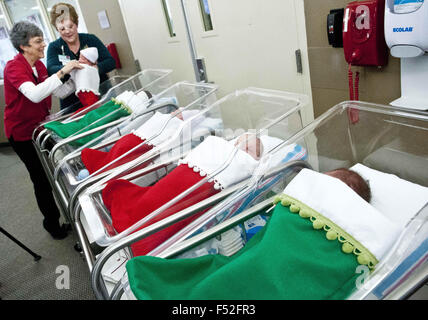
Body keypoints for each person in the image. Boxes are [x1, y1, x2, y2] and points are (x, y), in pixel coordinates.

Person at [124, 168, 401, 300]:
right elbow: (264, 243)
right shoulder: (298, 205)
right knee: (225, 275)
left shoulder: (348, 230)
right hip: (250, 266)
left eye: (327, 178)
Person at [102, 134, 264, 256]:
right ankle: (140, 215)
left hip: (193, 192)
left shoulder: (245, 164)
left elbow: (250, 167)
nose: (241, 147)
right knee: (155, 197)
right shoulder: (219, 148)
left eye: (250, 150)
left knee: (166, 212)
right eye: (240, 142)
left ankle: (144, 228)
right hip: (175, 184)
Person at [3, 21, 83, 239]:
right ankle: (51, 222)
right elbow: (36, 94)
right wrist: (62, 71)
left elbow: (59, 92)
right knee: (41, 178)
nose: (43, 45)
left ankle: (74, 214)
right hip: (21, 134)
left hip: (41, 128)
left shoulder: (38, 66)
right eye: (38, 42)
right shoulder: (13, 67)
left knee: (59, 171)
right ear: (23, 46)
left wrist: (76, 76)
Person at [47, 2, 116, 113]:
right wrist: (69, 68)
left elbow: (111, 62)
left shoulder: (90, 40)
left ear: (76, 23)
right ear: (57, 29)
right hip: (72, 104)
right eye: (62, 29)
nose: (68, 31)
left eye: (70, 26)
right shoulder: (54, 47)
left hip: (100, 95)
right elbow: (51, 69)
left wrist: (94, 68)